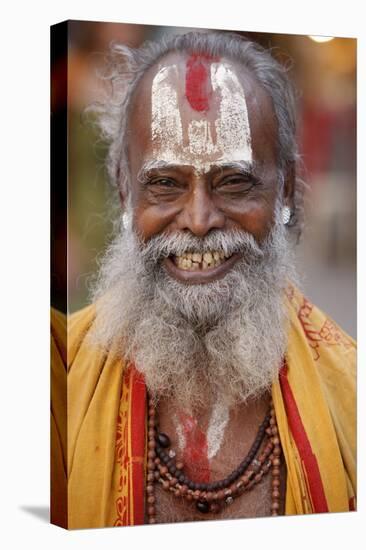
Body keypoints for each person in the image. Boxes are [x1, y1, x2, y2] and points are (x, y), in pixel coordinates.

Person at [50, 31, 356, 529]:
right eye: (165, 184)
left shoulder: (351, 395)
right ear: (126, 194)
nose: (197, 219)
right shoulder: (56, 383)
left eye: (233, 182)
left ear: (285, 193)